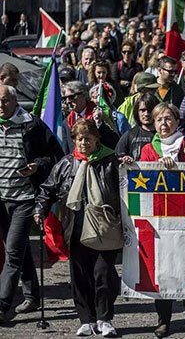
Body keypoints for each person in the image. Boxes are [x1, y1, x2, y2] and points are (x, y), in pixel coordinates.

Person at [33, 119, 120, 337]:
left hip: (104, 228)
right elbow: (47, 189)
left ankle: (104, 318)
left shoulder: (110, 162)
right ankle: (86, 319)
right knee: (80, 276)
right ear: (74, 141)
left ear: (96, 140)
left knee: (103, 274)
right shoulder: (65, 164)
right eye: (79, 139)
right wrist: (40, 209)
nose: (83, 143)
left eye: (88, 139)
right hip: (75, 228)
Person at [139, 103, 185, 338]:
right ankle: (164, 319)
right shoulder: (149, 149)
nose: (163, 124)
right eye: (159, 120)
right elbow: (141, 179)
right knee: (163, 269)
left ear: (177, 122)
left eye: (168, 119)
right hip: (160, 218)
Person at [0, 85, 62, 323]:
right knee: (17, 247)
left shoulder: (32, 125)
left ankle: (3, 305)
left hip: (24, 199)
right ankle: (32, 295)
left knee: (13, 252)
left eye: (5, 101)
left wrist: (37, 165)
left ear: (16, 102)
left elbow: (55, 154)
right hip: (1, 199)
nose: (1, 105)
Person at [61, 81, 120, 154]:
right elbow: (66, 150)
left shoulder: (100, 115)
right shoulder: (67, 122)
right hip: (76, 163)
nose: (68, 101)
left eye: (72, 97)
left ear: (83, 95)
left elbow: (114, 143)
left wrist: (99, 124)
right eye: (65, 98)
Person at [116, 93, 159, 162]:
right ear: (137, 111)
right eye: (143, 110)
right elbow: (117, 158)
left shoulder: (164, 135)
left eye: (150, 110)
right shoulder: (129, 135)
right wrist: (124, 159)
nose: (146, 114)